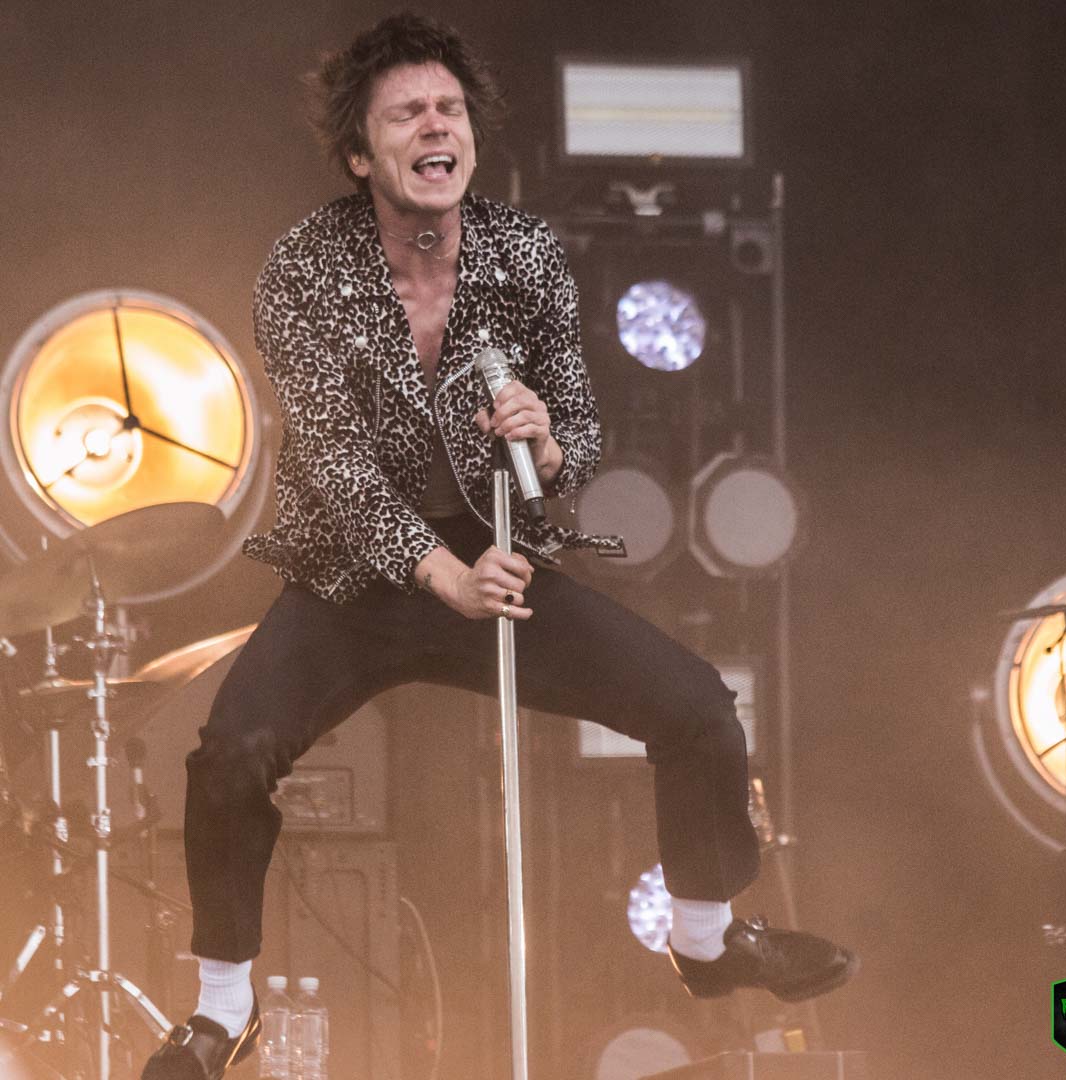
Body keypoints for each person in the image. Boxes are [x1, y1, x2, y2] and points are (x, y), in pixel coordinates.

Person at [142, 13, 856, 1079]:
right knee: (231, 753)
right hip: (356, 580)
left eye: (451, 109)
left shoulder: (523, 254)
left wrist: (548, 441)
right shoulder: (304, 268)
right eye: (407, 114)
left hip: (498, 556)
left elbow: (579, 429)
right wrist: (441, 576)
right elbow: (335, 463)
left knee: (701, 709)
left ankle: (707, 944)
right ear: (359, 154)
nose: (437, 127)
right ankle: (222, 1009)